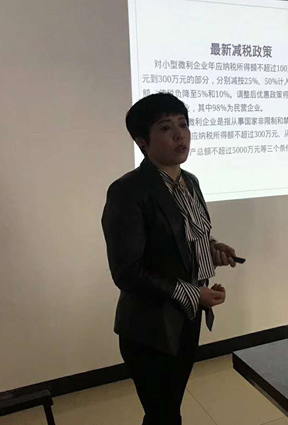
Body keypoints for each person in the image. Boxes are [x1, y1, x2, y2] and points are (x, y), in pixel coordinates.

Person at [101, 93, 239, 424]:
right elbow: (127, 272)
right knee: (163, 414)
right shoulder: (128, 191)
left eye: (183, 124)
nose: (180, 135)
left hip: (186, 320)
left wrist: (212, 249)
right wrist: (194, 293)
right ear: (142, 141)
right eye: (166, 128)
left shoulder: (190, 182)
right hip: (150, 328)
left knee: (167, 410)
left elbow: (182, 238)